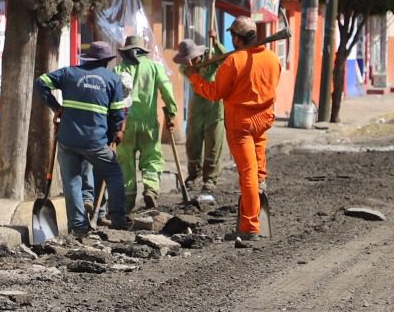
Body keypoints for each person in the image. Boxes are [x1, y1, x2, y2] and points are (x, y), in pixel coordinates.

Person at [181, 17, 279, 243]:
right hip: (263, 121)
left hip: (241, 125)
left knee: (248, 174)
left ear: (236, 37)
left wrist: (194, 77)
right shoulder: (273, 59)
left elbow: (214, 92)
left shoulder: (234, 61)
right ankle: (257, 199)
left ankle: (250, 227)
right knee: (257, 173)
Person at [36, 40, 131, 234]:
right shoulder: (112, 80)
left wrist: (55, 106)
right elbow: (117, 114)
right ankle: (118, 218)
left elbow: (41, 82)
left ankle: (77, 226)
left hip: (68, 140)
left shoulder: (69, 73)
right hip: (96, 142)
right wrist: (114, 134)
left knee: (72, 181)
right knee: (114, 175)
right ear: (106, 61)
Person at [116, 35, 177, 209]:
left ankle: (127, 201)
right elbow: (168, 91)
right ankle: (150, 190)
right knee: (151, 157)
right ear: (143, 51)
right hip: (148, 122)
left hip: (124, 124)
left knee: (125, 161)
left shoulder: (118, 69)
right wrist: (171, 114)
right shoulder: (155, 68)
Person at [173, 37, 223, 193]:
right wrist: (199, 68)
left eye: (191, 58)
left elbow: (226, 59)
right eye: (186, 60)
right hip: (197, 108)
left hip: (214, 107)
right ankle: (194, 175)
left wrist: (216, 43)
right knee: (193, 143)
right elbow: (196, 79)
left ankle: (210, 179)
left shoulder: (212, 56)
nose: (189, 62)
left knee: (213, 144)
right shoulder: (185, 68)